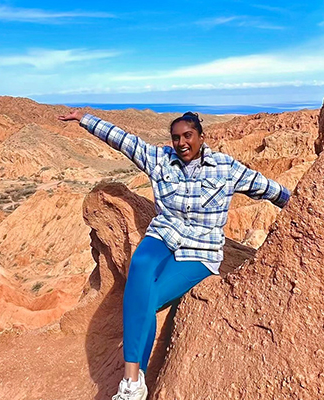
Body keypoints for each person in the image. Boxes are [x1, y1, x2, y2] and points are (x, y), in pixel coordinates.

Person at [58, 109, 291, 400]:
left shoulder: (225, 168)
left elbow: (266, 188)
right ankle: (132, 381)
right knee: (140, 268)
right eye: (176, 137)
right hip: (163, 236)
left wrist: (300, 204)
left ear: (201, 137)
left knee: (148, 298)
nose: (182, 142)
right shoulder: (160, 159)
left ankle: (134, 381)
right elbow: (125, 141)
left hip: (201, 248)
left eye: (188, 136)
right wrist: (85, 119)